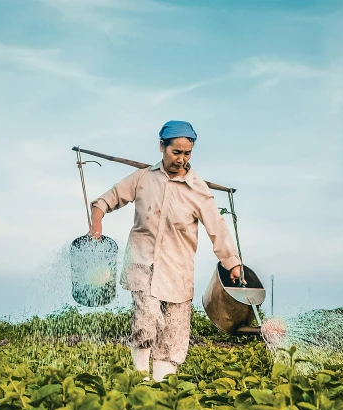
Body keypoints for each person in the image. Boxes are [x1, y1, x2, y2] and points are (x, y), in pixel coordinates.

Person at [89, 120, 242, 382]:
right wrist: (96, 223)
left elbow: (217, 227)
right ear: (162, 146)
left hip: (178, 269)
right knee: (146, 318)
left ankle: (162, 386)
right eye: (176, 152)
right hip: (141, 263)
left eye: (187, 153)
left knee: (174, 332)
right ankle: (138, 380)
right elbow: (105, 201)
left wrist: (232, 262)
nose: (181, 159)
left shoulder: (198, 189)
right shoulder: (142, 179)